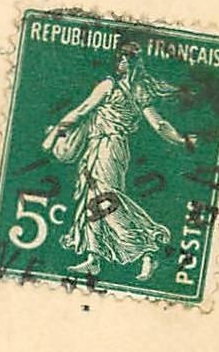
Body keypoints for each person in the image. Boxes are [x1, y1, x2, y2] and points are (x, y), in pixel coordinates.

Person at [44, 40, 197, 280]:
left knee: (107, 199)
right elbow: (83, 109)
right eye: (120, 57)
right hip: (95, 147)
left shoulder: (132, 90)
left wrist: (180, 139)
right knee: (91, 199)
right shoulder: (112, 85)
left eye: (127, 58)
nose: (122, 62)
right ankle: (94, 259)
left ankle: (148, 249)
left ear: (135, 62)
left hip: (111, 147)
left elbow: (158, 124)